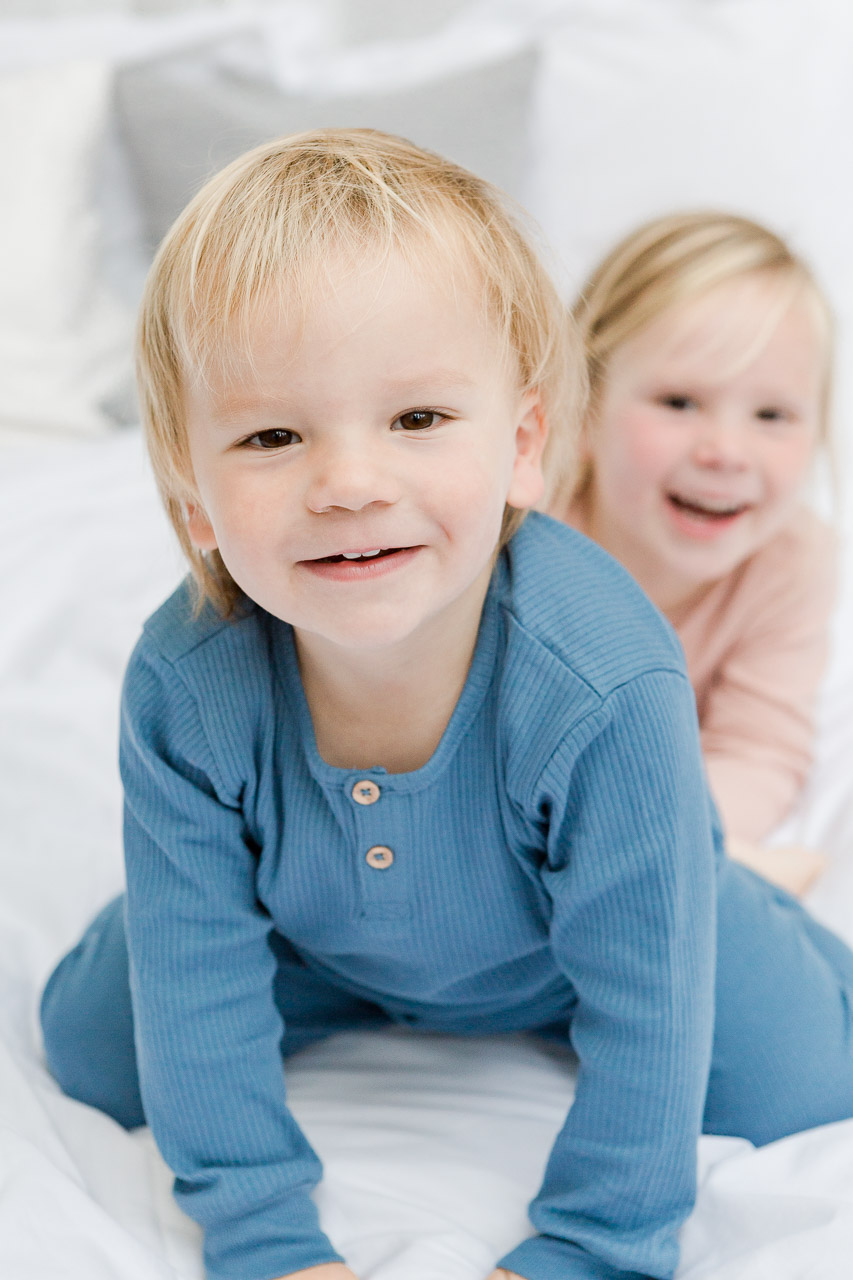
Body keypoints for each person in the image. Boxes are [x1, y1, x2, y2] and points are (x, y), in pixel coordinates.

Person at [40, 133, 853, 1280]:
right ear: (193, 497)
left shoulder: (606, 678)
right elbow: (197, 998)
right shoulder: (187, 682)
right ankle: (198, 891)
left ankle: (728, 884)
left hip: (570, 943)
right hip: (316, 936)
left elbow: (651, 1012)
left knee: (809, 1076)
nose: (351, 482)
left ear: (524, 447)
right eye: (272, 435)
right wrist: (270, 1241)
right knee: (91, 1041)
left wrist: (587, 1247)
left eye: (417, 419)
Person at [552, 212, 838, 896]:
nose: (725, 452)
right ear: (582, 409)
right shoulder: (525, 538)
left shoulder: (790, 560)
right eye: (679, 402)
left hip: (650, 834)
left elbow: (756, 751)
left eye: (771, 416)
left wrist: (674, 837)